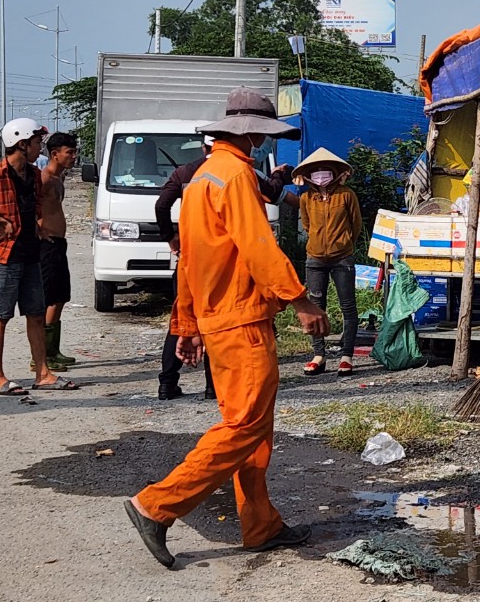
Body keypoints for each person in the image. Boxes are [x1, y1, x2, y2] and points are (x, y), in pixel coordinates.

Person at [125, 88, 330, 568]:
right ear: (253, 132)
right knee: (245, 427)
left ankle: (260, 525)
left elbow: (192, 260)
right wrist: (300, 300)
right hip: (243, 320)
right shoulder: (236, 175)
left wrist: (188, 323)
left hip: (221, 320)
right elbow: (258, 247)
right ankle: (156, 505)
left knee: (253, 429)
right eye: (261, 131)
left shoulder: (201, 179)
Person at [152, 135, 296, 401]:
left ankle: (167, 383)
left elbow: (161, 205)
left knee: (184, 322)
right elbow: (271, 198)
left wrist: (169, 237)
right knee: (218, 325)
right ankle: (212, 386)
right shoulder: (238, 171)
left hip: (191, 262)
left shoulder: (187, 172)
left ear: (204, 146)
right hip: (225, 267)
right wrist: (297, 298)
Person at [0, 118, 79, 394]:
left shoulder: (33, 175)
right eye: (37, 143)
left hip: (31, 254)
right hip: (6, 256)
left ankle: (43, 374)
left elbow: (36, 204)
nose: (40, 148)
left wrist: (37, 229)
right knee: (2, 315)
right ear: (21, 144)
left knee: (36, 314)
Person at [294, 147, 362, 377]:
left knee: (348, 306)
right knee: (315, 306)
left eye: (326, 171)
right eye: (316, 171)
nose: (321, 175)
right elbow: (306, 225)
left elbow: (356, 225)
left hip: (342, 257)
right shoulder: (305, 198)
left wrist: (343, 243)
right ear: (309, 176)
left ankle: (346, 356)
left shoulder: (346, 195)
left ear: (334, 172)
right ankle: (318, 355)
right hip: (314, 258)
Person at [38, 132, 80, 372]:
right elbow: (27, 208)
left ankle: (53, 350)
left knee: (62, 296)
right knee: (52, 297)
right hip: (47, 244)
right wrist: (38, 231)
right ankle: (43, 355)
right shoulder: (43, 179)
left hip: (58, 243)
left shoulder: (58, 178)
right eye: (69, 152)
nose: (73, 157)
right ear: (55, 154)